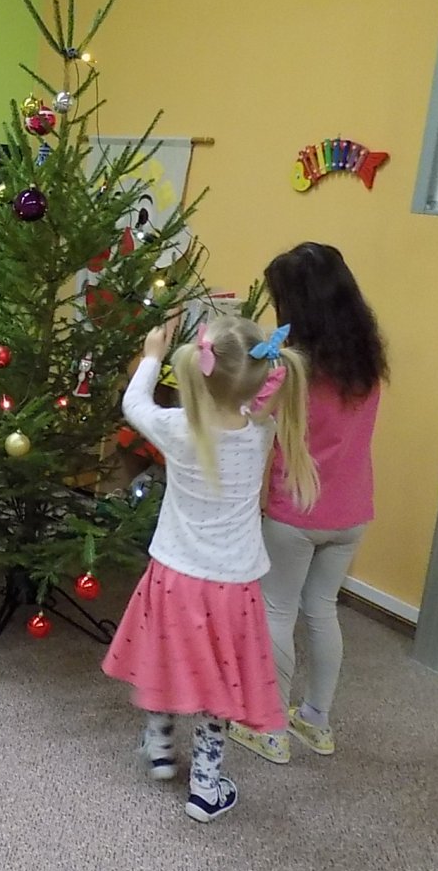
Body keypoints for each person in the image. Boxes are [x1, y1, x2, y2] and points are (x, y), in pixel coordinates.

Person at [102, 314, 318, 822]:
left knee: (166, 654)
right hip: (230, 585)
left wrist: (152, 356)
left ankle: (159, 745)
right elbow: (259, 399)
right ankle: (205, 784)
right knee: (218, 680)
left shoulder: (178, 428)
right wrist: (264, 374)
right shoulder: (262, 432)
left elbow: (134, 405)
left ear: (197, 371)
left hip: (174, 573)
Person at [228, 243, 386, 764]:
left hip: (296, 512)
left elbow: (248, 414)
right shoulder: (366, 361)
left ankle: (269, 726)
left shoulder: (291, 369)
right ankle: (316, 720)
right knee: (321, 610)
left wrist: (252, 367)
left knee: (277, 608)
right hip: (352, 511)